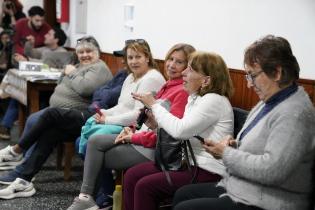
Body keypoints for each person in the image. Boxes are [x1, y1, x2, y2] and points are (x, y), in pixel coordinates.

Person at [172, 35, 315, 210]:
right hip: (247, 188)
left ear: (277, 73)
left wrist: (226, 153)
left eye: (252, 75)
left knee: (184, 207)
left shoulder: (294, 113)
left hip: (270, 201)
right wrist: (235, 146)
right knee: (182, 194)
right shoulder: (271, 102)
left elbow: (272, 170)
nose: (248, 85)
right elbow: (262, 147)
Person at [67, 43, 195, 210]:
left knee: (94, 157)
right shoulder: (167, 85)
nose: (171, 65)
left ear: (188, 67)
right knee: (94, 141)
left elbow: (168, 132)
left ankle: (100, 196)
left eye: (179, 62)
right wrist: (132, 129)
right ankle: (86, 198)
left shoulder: (181, 91)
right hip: (140, 138)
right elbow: (146, 118)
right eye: (170, 59)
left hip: (153, 149)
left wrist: (133, 136)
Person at [123, 51, 235, 210]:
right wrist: (156, 126)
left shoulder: (214, 100)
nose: (183, 72)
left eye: (190, 69)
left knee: (145, 186)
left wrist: (154, 105)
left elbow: (181, 131)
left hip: (208, 170)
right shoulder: (196, 98)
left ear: (206, 80)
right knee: (131, 175)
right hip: (189, 163)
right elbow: (182, 134)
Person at [0, 36, 112, 183]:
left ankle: (17, 152)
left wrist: (71, 73)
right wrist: (70, 74)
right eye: (81, 52)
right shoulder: (80, 67)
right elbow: (61, 83)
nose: (84, 55)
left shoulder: (99, 68)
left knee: (39, 118)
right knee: (48, 132)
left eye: (88, 51)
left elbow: (84, 88)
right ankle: (23, 175)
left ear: (98, 52)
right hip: (62, 112)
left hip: (81, 115)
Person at [77, 39, 165, 155]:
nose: (134, 61)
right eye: (130, 57)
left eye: (138, 57)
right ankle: (102, 172)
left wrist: (107, 120)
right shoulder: (130, 77)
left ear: (147, 58)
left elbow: (138, 116)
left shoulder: (151, 79)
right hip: (123, 123)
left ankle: (100, 171)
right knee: (89, 126)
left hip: (137, 129)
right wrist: (104, 113)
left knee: (88, 141)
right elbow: (122, 106)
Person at [0, 26, 68, 140]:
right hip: (37, 85)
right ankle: (6, 126)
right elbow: (32, 53)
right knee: (17, 94)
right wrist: (29, 44)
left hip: (50, 89)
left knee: (24, 95)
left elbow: (46, 64)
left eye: (49, 34)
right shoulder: (45, 49)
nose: (45, 35)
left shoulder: (63, 53)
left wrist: (28, 61)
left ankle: (15, 128)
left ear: (56, 39)